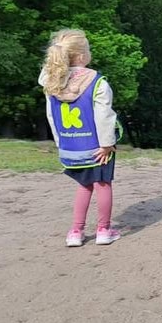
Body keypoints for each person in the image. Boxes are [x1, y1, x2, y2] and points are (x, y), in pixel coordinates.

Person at [39, 29, 121, 247]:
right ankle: (104, 230)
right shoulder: (98, 83)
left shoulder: (52, 84)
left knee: (84, 186)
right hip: (96, 148)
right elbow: (104, 117)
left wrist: (60, 143)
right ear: (83, 56)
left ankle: (76, 231)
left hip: (70, 147)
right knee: (103, 184)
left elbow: (51, 116)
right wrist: (107, 144)